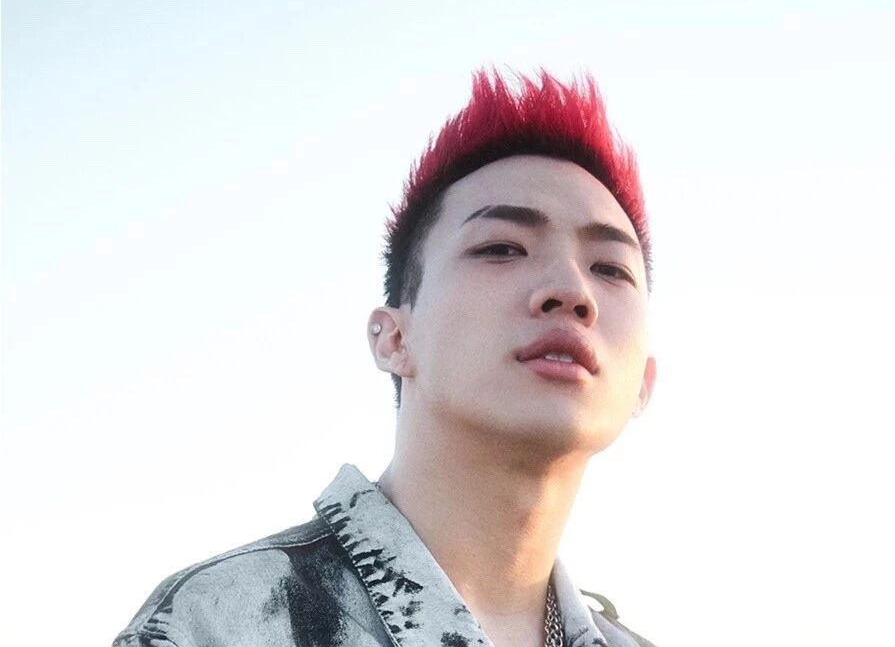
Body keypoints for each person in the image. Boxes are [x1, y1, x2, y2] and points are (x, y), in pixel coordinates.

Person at [114, 68, 658, 647]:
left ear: (644, 382)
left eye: (610, 268)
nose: (571, 291)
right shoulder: (220, 624)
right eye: (502, 248)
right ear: (393, 337)